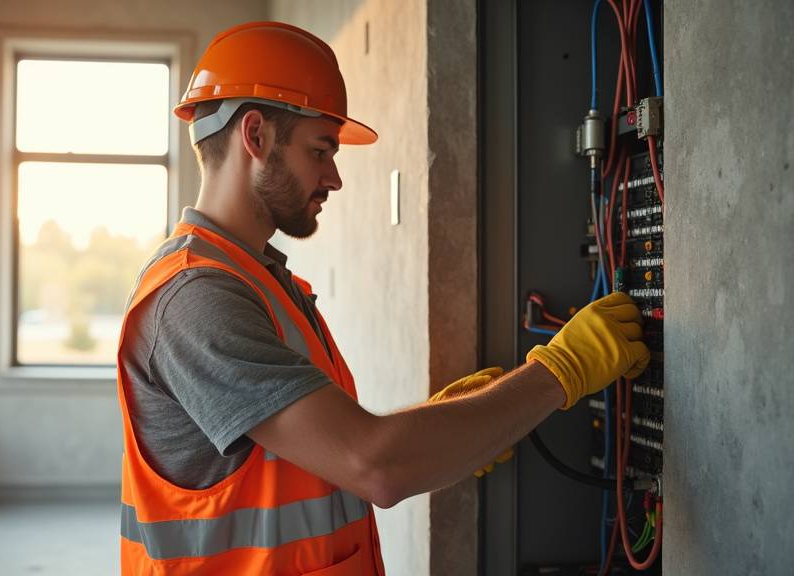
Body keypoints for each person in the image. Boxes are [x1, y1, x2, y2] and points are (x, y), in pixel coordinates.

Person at [115, 21, 649, 575]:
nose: (334, 177)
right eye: (321, 151)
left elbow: (329, 445)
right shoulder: (197, 298)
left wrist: (455, 420)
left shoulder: (262, 281)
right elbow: (372, 464)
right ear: (256, 137)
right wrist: (559, 371)